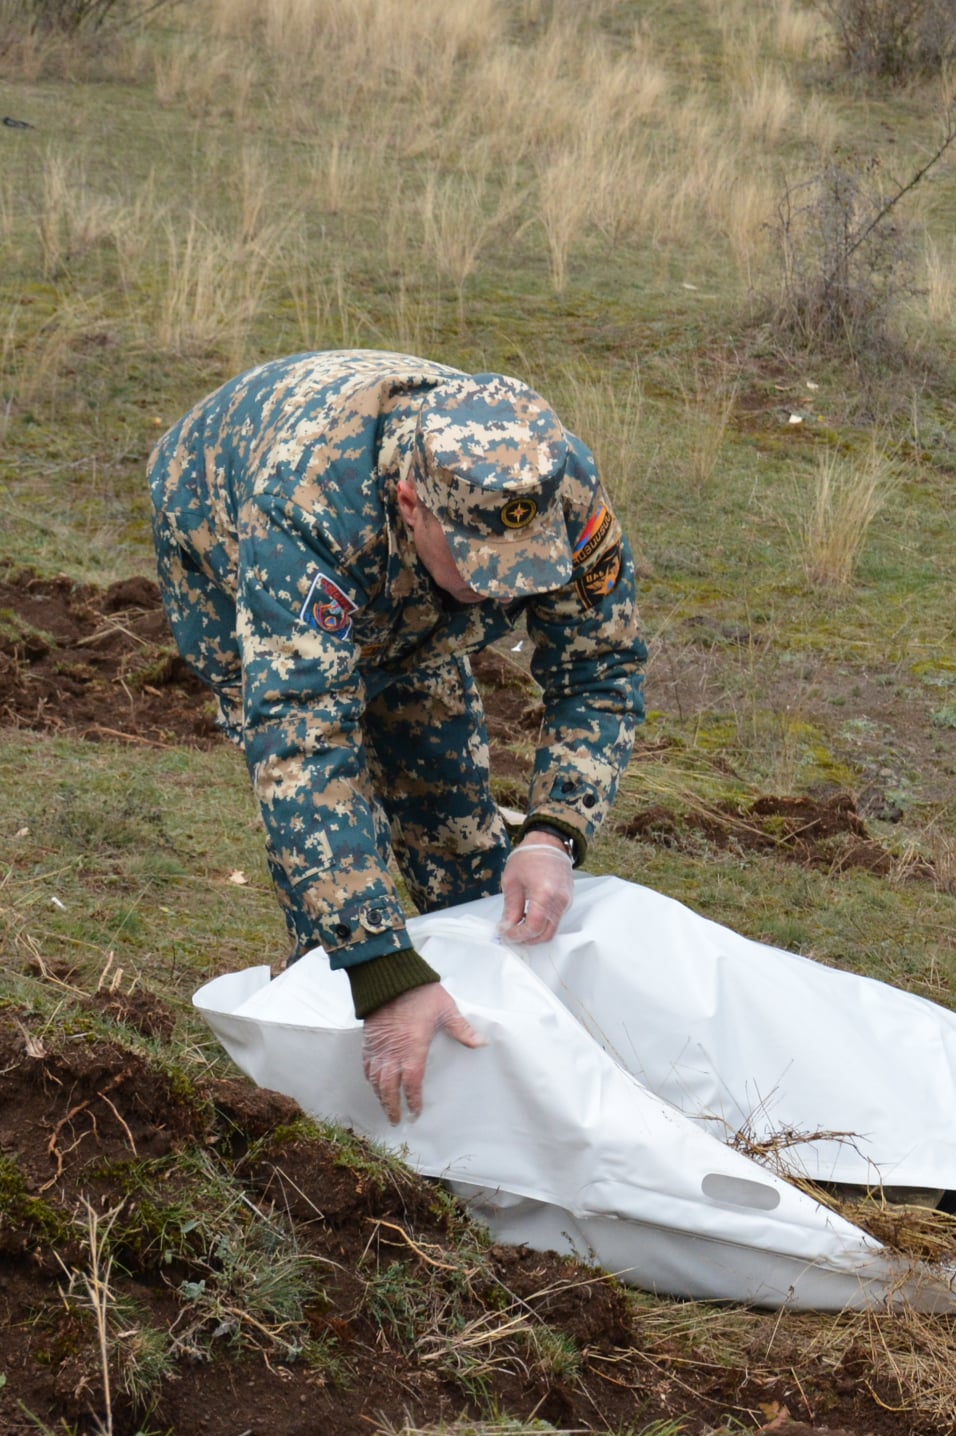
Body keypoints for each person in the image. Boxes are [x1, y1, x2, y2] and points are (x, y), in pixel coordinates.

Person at [150, 350, 645, 1125]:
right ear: (413, 503)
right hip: (218, 513)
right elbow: (303, 744)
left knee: (457, 827)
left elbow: (601, 671)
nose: (504, 590)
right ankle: (331, 1072)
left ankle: (493, 1059)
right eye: (482, 564)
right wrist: (381, 968)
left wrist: (554, 831)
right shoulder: (305, 511)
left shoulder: (556, 486)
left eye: (525, 567)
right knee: (334, 872)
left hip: (399, 578)